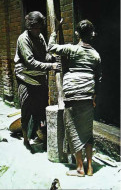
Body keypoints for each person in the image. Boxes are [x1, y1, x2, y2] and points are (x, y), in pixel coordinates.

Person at [48, 19, 102, 176]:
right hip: (87, 96)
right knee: (87, 131)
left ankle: (79, 168)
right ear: (92, 35)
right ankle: (90, 167)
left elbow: (50, 48)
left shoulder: (72, 50)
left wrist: (55, 30)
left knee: (73, 130)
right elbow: (98, 78)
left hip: (73, 95)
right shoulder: (96, 55)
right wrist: (94, 97)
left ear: (77, 34)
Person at [14, 11, 61, 150]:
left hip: (40, 77)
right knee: (26, 109)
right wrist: (51, 66)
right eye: (35, 28)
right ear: (29, 27)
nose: (38, 31)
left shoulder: (40, 37)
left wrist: (52, 58)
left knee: (41, 108)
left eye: (40, 28)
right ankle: (26, 139)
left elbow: (45, 53)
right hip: (26, 77)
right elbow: (30, 62)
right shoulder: (23, 39)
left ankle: (42, 135)